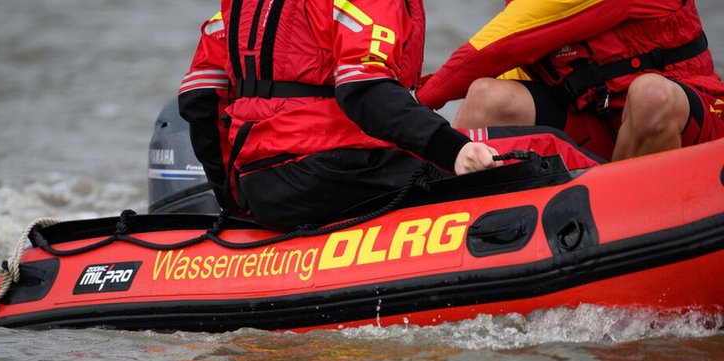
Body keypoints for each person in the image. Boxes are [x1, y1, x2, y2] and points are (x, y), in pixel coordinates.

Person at [178, 2, 597, 230]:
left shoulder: (236, 9)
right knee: (545, 147)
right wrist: (453, 150)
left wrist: (234, 198)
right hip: (337, 168)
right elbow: (366, 92)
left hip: (263, 187)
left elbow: (200, 100)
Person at [415, 0, 724, 162]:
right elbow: (515, 70)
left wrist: (410, 105)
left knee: (651, 95)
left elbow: (498, 47)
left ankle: (617, 224)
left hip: (690, 122)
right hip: (598, 121)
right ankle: (462, 222)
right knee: (486, 98)